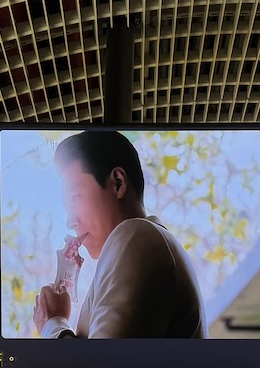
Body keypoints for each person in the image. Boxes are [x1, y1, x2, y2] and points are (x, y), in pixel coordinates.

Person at [31, 130, 205, 339]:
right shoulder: (145, 241)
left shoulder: (137, 236)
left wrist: (54, 324)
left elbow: (101, 367)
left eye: (76, 197)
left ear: (118, 183)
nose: (71, 221)